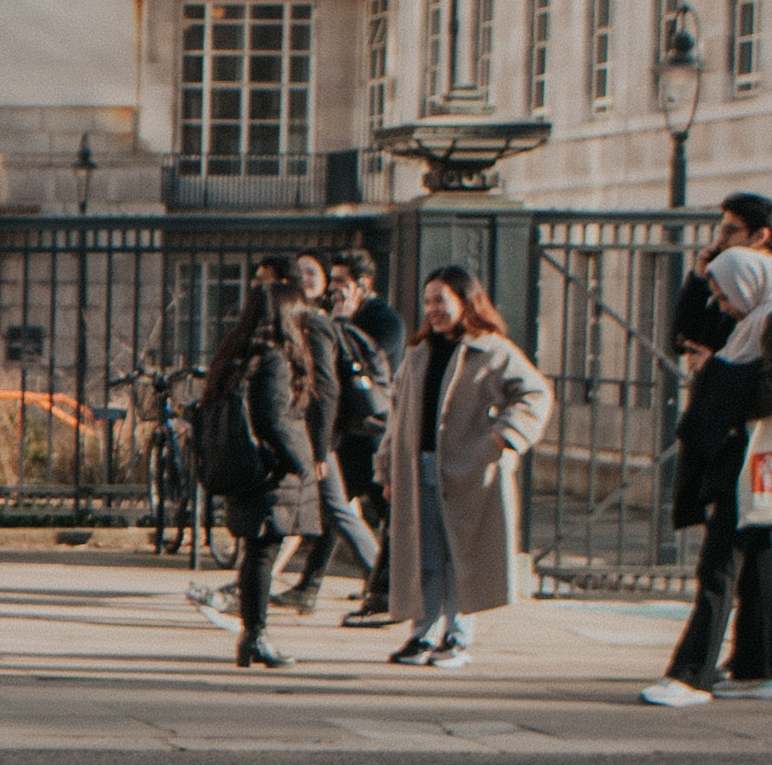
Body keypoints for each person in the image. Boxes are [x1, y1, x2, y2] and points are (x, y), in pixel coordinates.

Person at [652, 191, 772, 708]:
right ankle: (765, 666)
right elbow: (684, 335)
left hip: (747, 457)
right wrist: (699, 282)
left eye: (729, 232)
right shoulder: (755, 313)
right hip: (737, 457)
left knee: (717, 568)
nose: (719, 305)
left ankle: (690, 675)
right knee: (753, 562)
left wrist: (716, 371)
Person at [384, 264, 550, 670]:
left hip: (469, 470)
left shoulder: (492, 349)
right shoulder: (417, 353)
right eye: (427, 302)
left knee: (462, 554)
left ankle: (457, 637)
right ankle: (421, 633)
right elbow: (396, 413)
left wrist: (500, 438)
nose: (433, 309)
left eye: (441, 299)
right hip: (417, 468)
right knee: (424, 554)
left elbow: (535, 394)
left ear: (465, 300)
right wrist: (386, 467)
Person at [189, 253, 322, 670]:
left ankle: (252, 635)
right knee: (263, 553)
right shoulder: (275, 360)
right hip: (269, 472)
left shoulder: (237, 353)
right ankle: (256, 635)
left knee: (255, 552)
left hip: (242, 466)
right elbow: (272, 417)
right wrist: (303, 463)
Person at [283, 253, 392, 617]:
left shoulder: (365, 320)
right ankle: (311, 587)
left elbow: (327, 388)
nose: (334, 287)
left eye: (339, 279)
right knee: (336, 510)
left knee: (346, 510)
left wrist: (319, 443)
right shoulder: (322, 318)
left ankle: (384, 585)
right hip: (341, 432)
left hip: (357, 433)